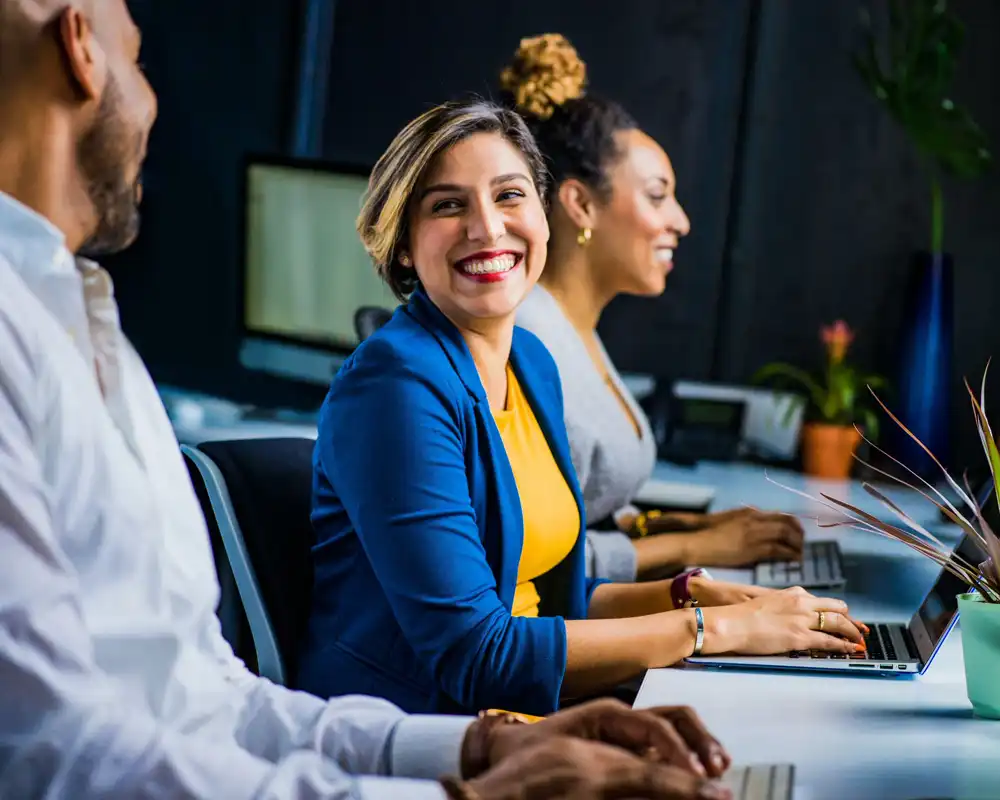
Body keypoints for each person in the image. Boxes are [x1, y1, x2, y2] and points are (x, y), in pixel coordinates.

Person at [0, 2, 736, 798]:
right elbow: (51, 755)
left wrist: (478, 757)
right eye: (139, 58)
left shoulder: (85, 326)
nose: (151, 101)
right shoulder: (26, 337)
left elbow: (211, 699)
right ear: (81, 47)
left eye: (510, 196)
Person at [300, 96, 866, 720]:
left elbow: (550, 603)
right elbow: (476, 653)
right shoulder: (394, 387)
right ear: (404, 245)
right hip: (420, 733)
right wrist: (714, 630)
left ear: (544, 216)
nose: (487, 227)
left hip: (526, 716)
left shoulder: (532, 363)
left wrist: (690, 597)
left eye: (509, 195)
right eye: (448, 205)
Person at [507, 33, 807, 584]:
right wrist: (694, 546)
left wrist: (677, 527)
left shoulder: (574, 330)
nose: (680, 221)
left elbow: (585, 510)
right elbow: (534, 561)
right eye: (656, 194)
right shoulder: (528, 342)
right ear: (579, 203)